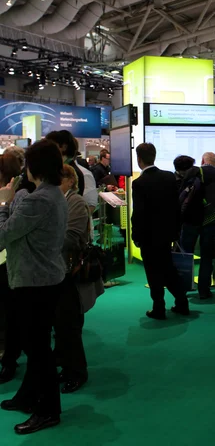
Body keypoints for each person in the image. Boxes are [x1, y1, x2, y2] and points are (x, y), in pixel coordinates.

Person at [0, 139, 68, 435]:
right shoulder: (52, 195)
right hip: (44, 279)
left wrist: (5, 203)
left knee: (37, 348)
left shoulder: (38, 199)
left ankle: (48, 410)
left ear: (32, 166)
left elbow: (4, 234)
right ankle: (28, 397)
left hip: (34, 282)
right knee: (35, 344)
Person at [55, 165, 101, 395]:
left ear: (70, 181)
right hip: (59, 270)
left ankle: (77, 372)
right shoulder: (62, 200)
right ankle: (67, 367)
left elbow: (72, 238)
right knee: (63, 325)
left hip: (70, 270)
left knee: (71, 325)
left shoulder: (75, 203)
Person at [132, 143, 189, 319]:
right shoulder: (169, 177)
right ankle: (182, 302)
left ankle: (159, 308)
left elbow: (139, 213)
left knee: (153, 272)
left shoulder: (139, 183)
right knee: (168, 269)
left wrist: (136, 235)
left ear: (139, 159)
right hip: (166, 234)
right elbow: (176, 207)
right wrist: (175, 231)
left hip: (149, 236)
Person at [179, 152, 215, 299]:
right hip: (211, 220)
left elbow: (182, 195)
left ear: (203, 160)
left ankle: (183, 287)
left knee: (186, 253)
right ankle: (204, 289)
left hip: (190, 219)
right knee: (207, 255)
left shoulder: (192, 172)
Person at [0, 153, 25, 384]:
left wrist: (4, 204)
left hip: (8, 260)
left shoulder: (16, 196)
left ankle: (9, 359)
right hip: (8, 260)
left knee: (10, 313)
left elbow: (5, 232)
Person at [45, 130, 85, 196]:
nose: (47, 151)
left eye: (52, 146)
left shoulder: (72, 172)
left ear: (64, 147)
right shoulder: (56, 169)